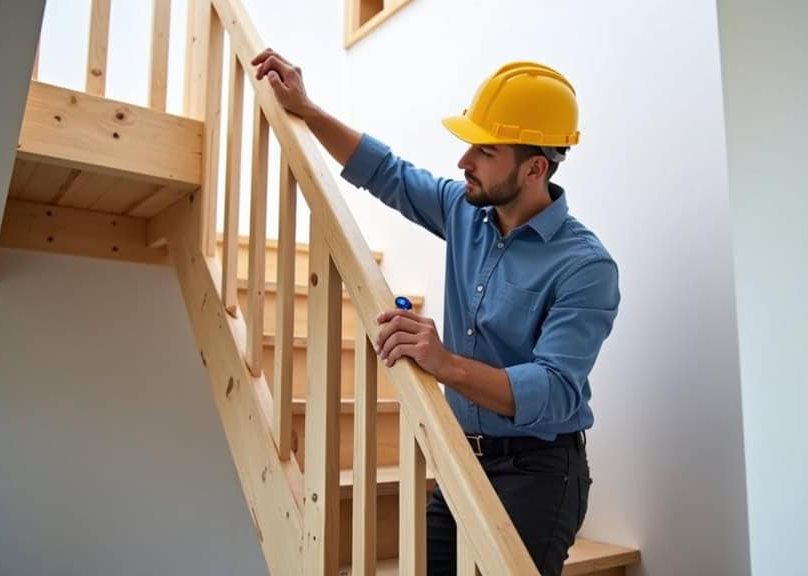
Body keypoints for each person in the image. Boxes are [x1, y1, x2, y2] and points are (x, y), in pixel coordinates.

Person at [252, 48, 620, 576]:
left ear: (535, 167)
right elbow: (388, 173)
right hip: (460, 459)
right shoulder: (464, 212)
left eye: (485, 150)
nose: (464, 160)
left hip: (538, 472)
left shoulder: (585, 266)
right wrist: (307, 109)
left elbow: (556, 389)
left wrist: (445, 364)